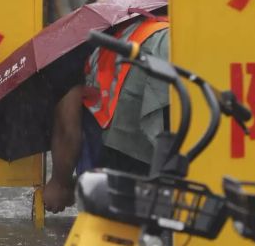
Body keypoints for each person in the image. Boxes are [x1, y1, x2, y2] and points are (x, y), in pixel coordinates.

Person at [44, 14, 170, 213]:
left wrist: (59, 183)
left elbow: (67, 130)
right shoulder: (112, 27)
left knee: (120, 200)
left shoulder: (62, 55)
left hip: (140, 74)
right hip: (171, 48)